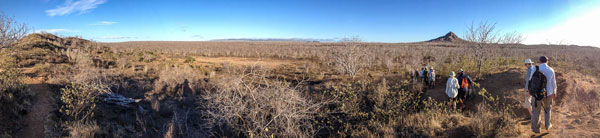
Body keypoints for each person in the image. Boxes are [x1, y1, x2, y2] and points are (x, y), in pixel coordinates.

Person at [530, 56, 557, 133]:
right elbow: (553, 83)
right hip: (548, 93)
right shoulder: (551, 70)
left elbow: (530, 81)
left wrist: (530, 91)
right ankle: (547, 125)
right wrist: (554, 92)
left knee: (536, 111)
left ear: (539, 61)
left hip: (537, 94)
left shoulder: (535, 69)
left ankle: (536, 129)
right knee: (548, 109)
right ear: (547, 61)